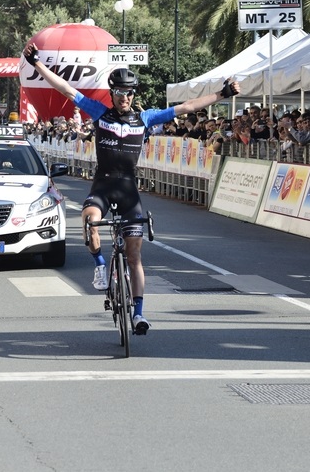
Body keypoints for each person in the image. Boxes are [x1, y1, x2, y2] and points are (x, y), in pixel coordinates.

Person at [23, 40, 239, 336]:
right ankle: (100, 265)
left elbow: (187, 106)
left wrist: (222, 94)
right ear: (112, 94)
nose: (124, 97)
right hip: (103, 184)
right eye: (119, 92)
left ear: (133, 95)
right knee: (89, 221)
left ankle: (138, 314)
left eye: (129, 93)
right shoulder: (100, 113)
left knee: (135, 255)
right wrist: (37, 64)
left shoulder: (146, 118)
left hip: (128, 190)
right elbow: (66, 89)